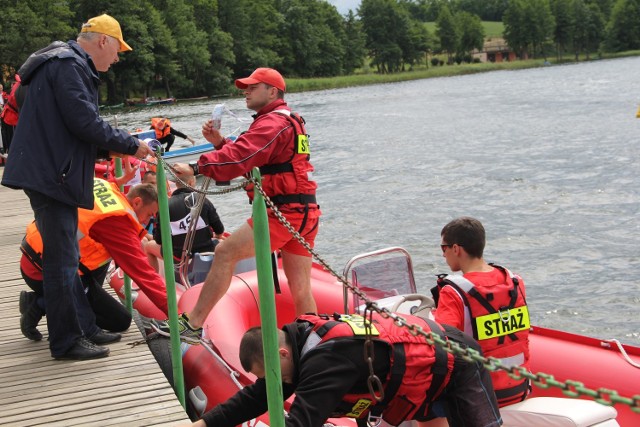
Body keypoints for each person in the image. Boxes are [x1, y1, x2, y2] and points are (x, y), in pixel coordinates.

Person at [1, 14, 154, 360]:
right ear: (103, 41)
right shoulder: (70, 66)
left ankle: (83, 328)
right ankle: (66, 341)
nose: (116, 60)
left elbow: (68, 127)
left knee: (66, 256)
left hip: (50, 171)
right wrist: (130, 145)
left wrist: (114, 143)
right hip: (50, 175)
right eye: (117, 51)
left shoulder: (61, 61)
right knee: (62, 260)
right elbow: (83, 121)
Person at [165, 68, 321, 343]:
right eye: (245, 87)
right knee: (300, 287)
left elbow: (240, 157)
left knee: (224, 252)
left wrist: (195, 165)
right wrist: (220, 143)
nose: (245, 91)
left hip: (283, 214)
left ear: (272, 91)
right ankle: (313, 342)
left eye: (252, 87)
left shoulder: (273, 123)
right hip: (304, 213)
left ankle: (193, 324)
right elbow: (255, 159)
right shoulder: (282, 121)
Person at [191, 312, 502, 427]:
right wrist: (201, 425)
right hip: (418, 385)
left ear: (281, 354)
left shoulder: (324, 361)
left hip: (456, 363)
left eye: (274, 375)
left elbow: (302, 422)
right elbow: (257, 396)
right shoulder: (297, 347)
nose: (279, 384)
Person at [18, 180, 169, 340]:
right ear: (137, 202)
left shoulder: (109, 190)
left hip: (37, 254)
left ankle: (54, 302)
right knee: (119, 321)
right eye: (150, 215)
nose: (147, 222)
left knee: (115, 312)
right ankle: (38, 304)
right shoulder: (118, 222)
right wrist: (177, 313)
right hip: (45, 271)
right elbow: (143, 274)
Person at [433, 217, 530, 407]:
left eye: (443, 248)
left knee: (423, 403)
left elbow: (441, 348)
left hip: (480, 395)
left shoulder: (453, 292)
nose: (443, 255)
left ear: (456, 249)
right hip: (520, 388)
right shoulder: (514, 282)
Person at [146, 174, 224, 263]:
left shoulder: (165, 207)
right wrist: (215, 236)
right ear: (191, 182)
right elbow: (219, 230)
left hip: (178, 257)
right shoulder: (203, 200)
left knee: (148, 246)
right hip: (207, 252)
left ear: (176, 184)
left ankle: (155, 276)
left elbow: (159, 240)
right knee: (221, 241)